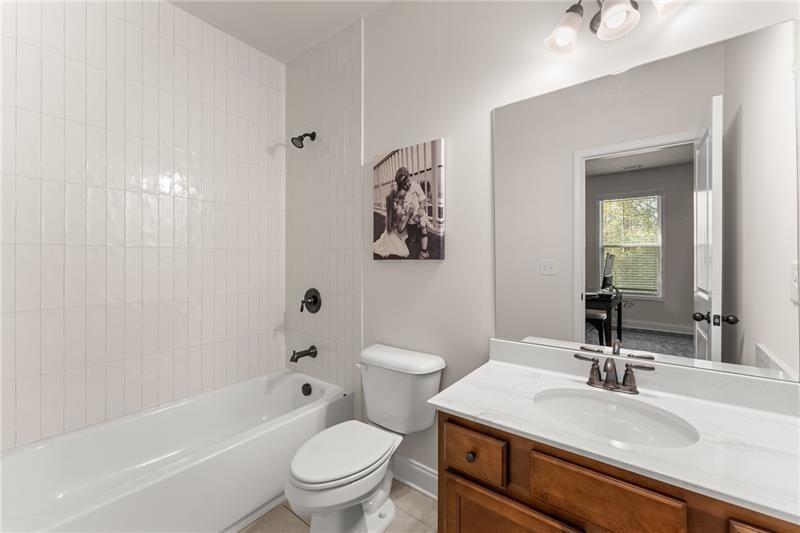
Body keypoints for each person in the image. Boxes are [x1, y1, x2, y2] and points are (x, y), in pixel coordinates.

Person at [395, 167, 433, 259]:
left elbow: (422, 198)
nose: (407, 184)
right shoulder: (400, 191)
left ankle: (424, 251)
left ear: (409, 177)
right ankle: (413, 237)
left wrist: (421, 208)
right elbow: (399, 202)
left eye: (407, 181)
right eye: (403, 183)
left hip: (418, 215)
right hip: (409, 218)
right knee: (412, 235)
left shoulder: (415, 185)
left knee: (423, 232)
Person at [373, 185, 411, 258]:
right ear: (396, 199)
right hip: (396, 234)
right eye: (402, 198)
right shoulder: (399, 211)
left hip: (389, 233)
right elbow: (400, 229)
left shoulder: (392, 205)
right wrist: (408, 215)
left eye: (405, 197)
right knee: (403, 251)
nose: (404, 200)